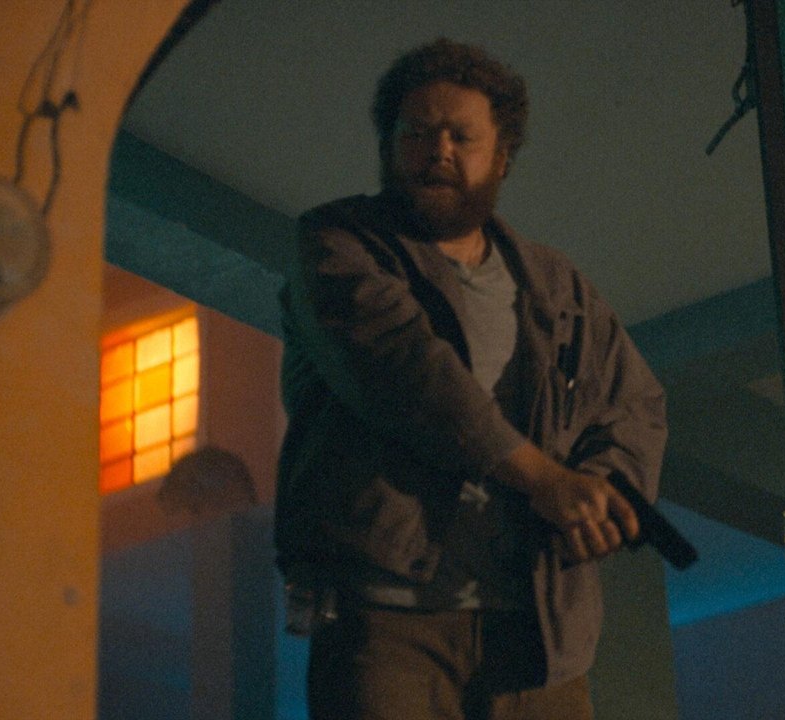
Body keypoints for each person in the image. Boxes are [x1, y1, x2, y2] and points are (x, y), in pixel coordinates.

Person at [275, 38, 667, 720]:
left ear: (502, 156)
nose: (438, 150)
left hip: (539, 635)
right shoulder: (337, 244)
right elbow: (408, 374)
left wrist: (601, 492)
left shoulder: (557, 285)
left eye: (461, 135)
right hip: (388, 624)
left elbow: (634, 405)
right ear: (388, 146)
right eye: (417, 133)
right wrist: (548, 482)